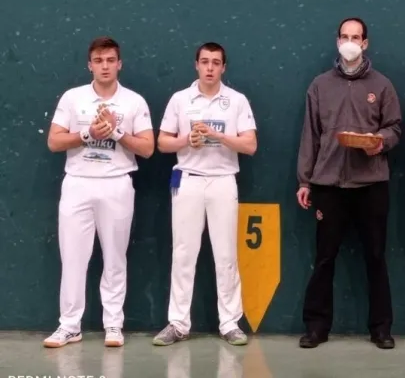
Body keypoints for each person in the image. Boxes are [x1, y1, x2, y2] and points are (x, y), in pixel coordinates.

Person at [296, 17, 401, 349]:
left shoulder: (382, 85)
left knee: (376, 257)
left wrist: (379, 142)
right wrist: (305, 180)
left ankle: (381, 328)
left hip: (372, 185)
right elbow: (310, 135)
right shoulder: (319, 85)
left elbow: (394, 128)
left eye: (356, 37)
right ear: (337, 41)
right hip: (328, 186)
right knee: (324, 258)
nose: (350, 42)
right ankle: (316, 327)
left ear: (365, 43)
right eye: (345, 36)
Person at [44, 36, 155, 348]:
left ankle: (114, 325)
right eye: (98, 61)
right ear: (89, 65)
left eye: (110, 60)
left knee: (115, 257)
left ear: (119, 64)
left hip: (117, 184)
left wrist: (117, 132)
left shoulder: (134, 102)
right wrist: (87, 133)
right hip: (77, 184)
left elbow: (148, 148)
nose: (104, 66)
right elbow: (54, 141)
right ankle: (69, 326)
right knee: (73, 257)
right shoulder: (72, 98)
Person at [152, 42, 258, 347]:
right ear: (196, 65)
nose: (210, 68)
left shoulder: (236, 101)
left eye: (216, 63)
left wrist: (218, 136)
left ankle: (230, 323)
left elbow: (250, 145)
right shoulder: (180, 100)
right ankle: (178, 323)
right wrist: (187, 140)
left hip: (224, 182)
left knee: (226, 254)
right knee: (183, 253)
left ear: (224, 67)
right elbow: (162, 143)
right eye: (205, 62)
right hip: (188, 181)